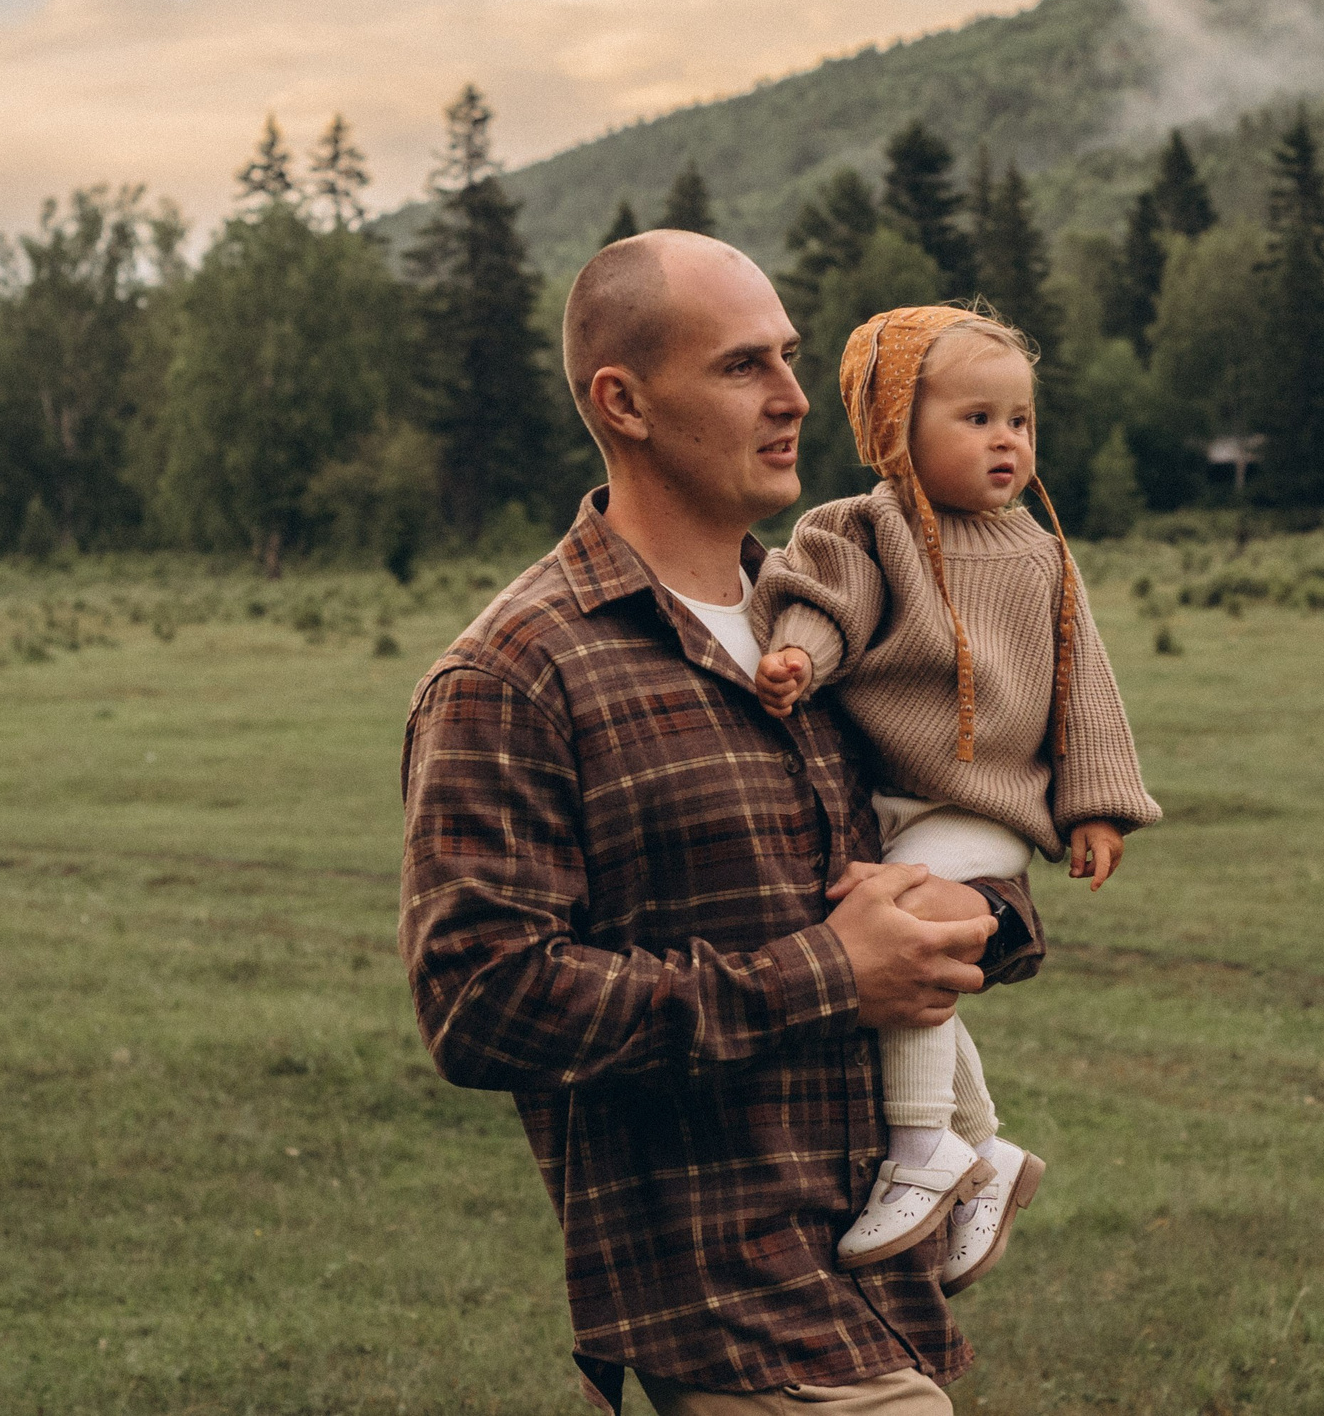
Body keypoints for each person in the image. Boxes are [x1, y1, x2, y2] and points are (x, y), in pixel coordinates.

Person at [399, 231, 1046, 1416]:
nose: (796, 398)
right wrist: (824, 976)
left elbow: (963, 845)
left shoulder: (841, 624)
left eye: (793, 357)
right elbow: (476, 1001)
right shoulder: (519, 673)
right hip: (726, 1314)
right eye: (744, 365)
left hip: (881, 1296)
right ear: (625, 403)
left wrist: (978, 916)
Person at [750, 306, 1159, 1293]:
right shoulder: (862, 527)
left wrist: (1096, 806)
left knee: (914, 931)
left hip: (981, 806)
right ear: (895, 427)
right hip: (881, 804)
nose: (1006, 439)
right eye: (975, 417)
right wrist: (802, 651)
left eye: (1019, 419)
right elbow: (830, 602)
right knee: (905, 968)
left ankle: (924, 1148)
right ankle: (990, 1151)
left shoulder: (1040, 555)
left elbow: (1083, 686)